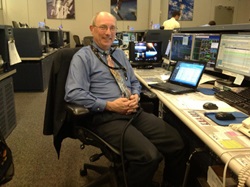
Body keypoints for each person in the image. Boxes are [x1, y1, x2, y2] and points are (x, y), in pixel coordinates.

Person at [65, 11, 187, 187]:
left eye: (112, 28)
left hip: (132, 111)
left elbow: (134, 81)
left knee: (177, 143)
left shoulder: (120, 55)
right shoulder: (82, 57)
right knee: (149, 157)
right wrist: (109, 105)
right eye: (103, 27)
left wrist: (136, 95)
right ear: (92, 29)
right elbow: (73, 92)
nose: (108, 32)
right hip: (106, 116)